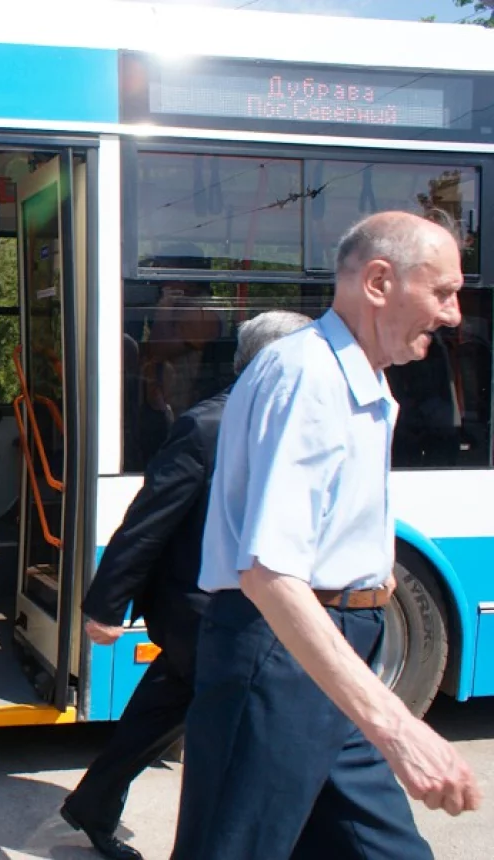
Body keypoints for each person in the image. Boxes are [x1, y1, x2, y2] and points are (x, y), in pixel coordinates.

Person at [170, 211, 481, 860]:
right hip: (281, 652)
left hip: (326, 651)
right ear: (379, 282)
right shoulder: (307, 375)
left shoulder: (355, 373)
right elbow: (270, 574)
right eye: (443, 292)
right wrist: (398, 728)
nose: (454, 315)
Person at [61, 310, 311, 860]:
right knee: (255, 734)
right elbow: (147, 521)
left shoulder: (286, 421)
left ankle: (93, 803)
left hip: (234, 607)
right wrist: (107, 606)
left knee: (163, 707)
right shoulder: (208, 427)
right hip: (201, 609)